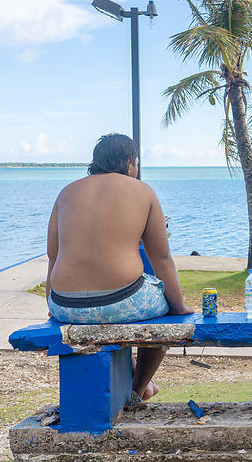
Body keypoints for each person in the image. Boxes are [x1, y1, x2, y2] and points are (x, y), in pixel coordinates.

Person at [45, 133, 193, 402]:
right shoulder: (143, 190)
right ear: (129, 162)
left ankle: (137, 383)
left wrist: (52, 305)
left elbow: (52, 258)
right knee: (164, 311)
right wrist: (179, 307)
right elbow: (161, 258)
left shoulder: (66, 192)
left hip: (64, 304)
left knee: (118, 312)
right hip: (120, 302)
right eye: (135, 163)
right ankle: (138, 390)